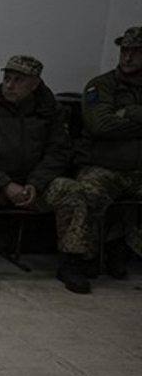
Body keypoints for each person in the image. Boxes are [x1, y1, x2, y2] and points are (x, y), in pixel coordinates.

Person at [0, 55, 91, 293]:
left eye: (18, 80)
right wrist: (6, 183)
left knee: (72, 191)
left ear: (35, 84)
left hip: (35, 186)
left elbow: (59, 151)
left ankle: (71, 263)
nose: (9, 85)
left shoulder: (50, 110)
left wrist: (36, 183)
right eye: (7, 78)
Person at [76, 26, 142, 279]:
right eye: (124, 50)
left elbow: (113, 123)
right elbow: (100, 125)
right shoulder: (100, 85)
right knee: (87, 192)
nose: (128, 57)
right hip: (104, 166)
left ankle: (122, 246)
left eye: (136, 52)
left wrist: (128, 113)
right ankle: (85, 257)